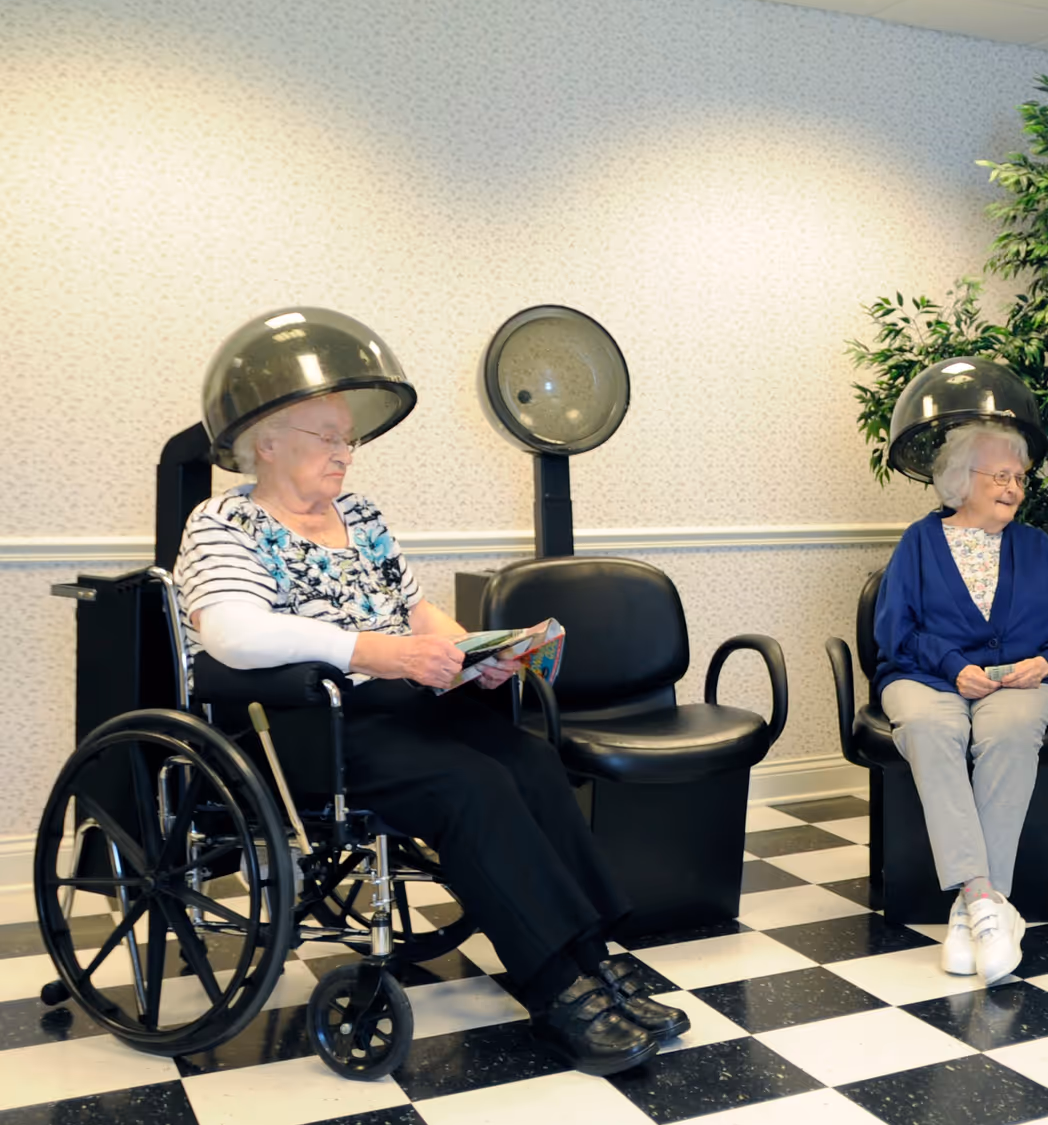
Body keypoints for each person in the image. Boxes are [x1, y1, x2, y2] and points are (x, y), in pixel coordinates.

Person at [175, 391, 686, 1075]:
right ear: (264, 442)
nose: (342, 453)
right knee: (468, 786)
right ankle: (557, 990)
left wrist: (474, 652)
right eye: (326, 436)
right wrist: (372, 652)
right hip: (303, 721)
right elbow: (232, 633)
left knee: (531, 762)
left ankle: (593, 961)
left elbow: (417, 616)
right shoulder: (224, 520)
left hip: (402, 702)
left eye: (349, 440)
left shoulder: (360, 516)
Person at [874, 422, 1048, 984]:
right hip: (926, 677)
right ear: (959, 479)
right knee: (927, 729)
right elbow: (895, 631)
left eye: (1019, 477)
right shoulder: (919, 543)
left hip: (1018, 685)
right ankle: (984, 899)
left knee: (1010, 735)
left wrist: (1046, 664)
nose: (1014, 486)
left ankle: (970, 913)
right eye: (1000, 475)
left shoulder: (1038, 548)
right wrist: (953, 666)